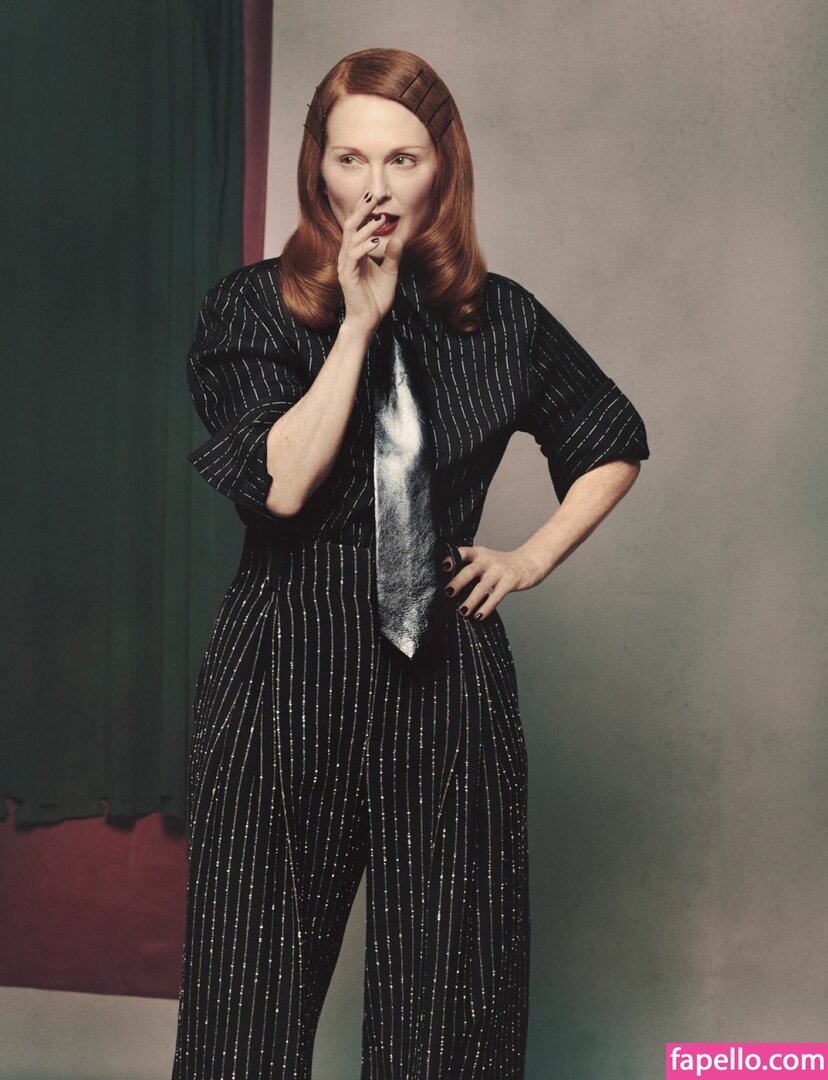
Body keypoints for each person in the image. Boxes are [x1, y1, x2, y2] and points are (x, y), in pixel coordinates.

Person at [171, 47, 650, 1080]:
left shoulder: (500, 317)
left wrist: (529, 558)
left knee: (452, 993)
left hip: (445, 660)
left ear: (444, 168)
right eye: (351, 159)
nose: (376, 188)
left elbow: (610, 436)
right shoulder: (251, 307)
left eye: (403, 159)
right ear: (318, 167)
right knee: (247, 989)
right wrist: (357, 326)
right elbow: (282, 484)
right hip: (287, 648)